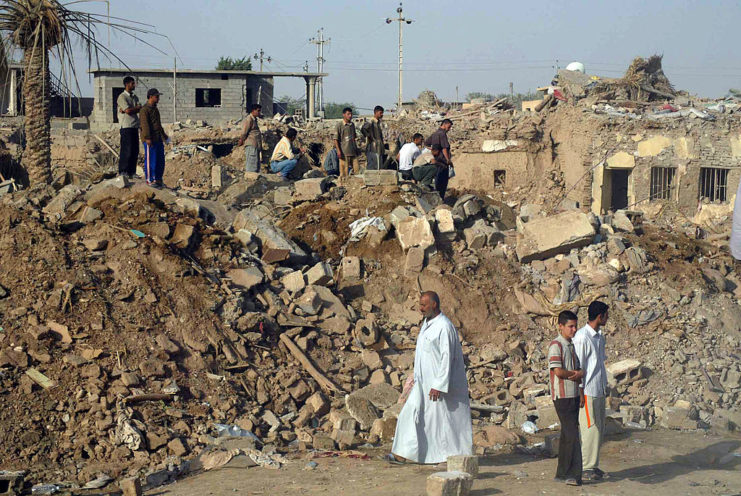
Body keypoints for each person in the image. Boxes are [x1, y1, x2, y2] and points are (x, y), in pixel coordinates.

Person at [389, 291, 473, 464]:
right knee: (410, 413)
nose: (420, 308)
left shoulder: (444, 326)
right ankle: (401, 454)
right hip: (422, 382)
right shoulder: (427, 324)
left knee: (444, 424)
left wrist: (439, 385)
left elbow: (447, 358)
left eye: (424, 305)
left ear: (434, 304)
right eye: (420, 305)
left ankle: (449, 457)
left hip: (439, 386)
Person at [573, 300, 609, 482]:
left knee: (599, 429)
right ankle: (586, 467)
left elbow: (599, 364)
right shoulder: (582, 337)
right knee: (590, 430)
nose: (608, 318)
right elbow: (578, 367)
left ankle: (593, 465)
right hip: (587, 391)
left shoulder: (599, 337)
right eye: (606, 315)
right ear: (600, 316)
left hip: (599, 389)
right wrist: (580, 393)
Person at [548, 310, 584, 487]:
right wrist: (575, 374)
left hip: (573, 394)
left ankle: (562, 473)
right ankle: (574, 474)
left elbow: (579, 370)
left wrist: (580, 381)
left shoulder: (572, 345)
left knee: (566, 435)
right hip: (562, 396)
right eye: (570, 326)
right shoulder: (557, 345)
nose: (574, 329)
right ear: (560, 326)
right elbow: (558, 371)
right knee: (572, 435)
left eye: (575, 326)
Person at [139, 88, 168, 188]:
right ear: (150, 97)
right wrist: (147, 138)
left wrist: (164, 136)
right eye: (156, 96)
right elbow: (145, 125)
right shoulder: (144, 110)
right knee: (151, 160)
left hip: (158, 138)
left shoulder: (155, 109)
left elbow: (158, 124)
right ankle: (150, 180)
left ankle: (158, 179)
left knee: (160, 160)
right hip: (150, 139)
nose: (158, 98)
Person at [117, 76, 142, 178]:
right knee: (126, 149)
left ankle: (132, 171)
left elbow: (138, 108)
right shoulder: (122, 97)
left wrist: (133, 109)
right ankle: (123, 171)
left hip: (134, 126)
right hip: (126, 126)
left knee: (134, 150)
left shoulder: (134, 97)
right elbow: (128, 111)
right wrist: (133, 109)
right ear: (127, 84)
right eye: (132, 83)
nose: (134, 85)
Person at [424, 119, 454, 199]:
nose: (449, 129)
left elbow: (426, 144)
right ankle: (441, 198)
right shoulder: (442, 134)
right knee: (443, 182)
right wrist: (448, 160)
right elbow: (444, 148)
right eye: (449, 127)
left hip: (436, 161)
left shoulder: (435, 134)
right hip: (443, 162)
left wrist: (433, 150)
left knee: (437, 180)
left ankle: (437, 198)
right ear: (444, 124)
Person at [334, 107, 359, 183]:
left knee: (357, 170)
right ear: (344, 115)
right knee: (344, 174)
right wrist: (338, 151)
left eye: (351, 114)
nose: (350, 116)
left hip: (353, 152)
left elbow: (354, 137)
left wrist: (356, 148)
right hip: (344, 153)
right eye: (348, 114)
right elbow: (335, 139)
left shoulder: (352, 125)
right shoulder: (339, 125)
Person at [239, 104, 263, 173]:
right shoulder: (248, 119)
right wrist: (241, 140)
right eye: (258, 111)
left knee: (255, 165)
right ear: (253, 110)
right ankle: (251, 180)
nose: (259, 112)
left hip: (255, 145)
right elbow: (244, 132)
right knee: (251, 165)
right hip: (251, 145)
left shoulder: (254, 119)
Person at [361, 105, 385, 170]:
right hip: (372, 148)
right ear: (376, 112)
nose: (382, 114)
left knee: (378, 166)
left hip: (378, 148)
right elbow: (363, 129)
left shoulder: (378, 123)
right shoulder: (371, 122)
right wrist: (370, 137)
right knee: (372, 167)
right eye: (380, 113)